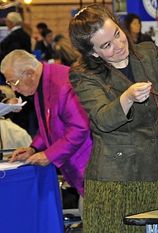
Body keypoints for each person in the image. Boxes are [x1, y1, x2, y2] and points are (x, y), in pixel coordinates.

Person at [68, 4, 158, 233]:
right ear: (94, 53)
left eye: (117, 34)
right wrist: (127, 97)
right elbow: (102, 119)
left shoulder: (149, 53)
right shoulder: (83, 75)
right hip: (112, 182)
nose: (119, 45)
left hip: (152, 174)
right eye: (107, 46)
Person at [1, 49, 92, 197]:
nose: (13, 89)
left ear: (30, 73)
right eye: (9, 83)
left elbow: (80, 128)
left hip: (88, 164)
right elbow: (50, 125)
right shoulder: (42, 82)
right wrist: (33, 148)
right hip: (78, 165)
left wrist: (49, 155)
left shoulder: (63, 84)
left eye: (14, 82)